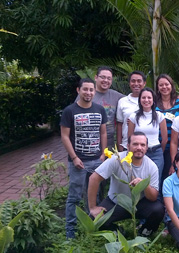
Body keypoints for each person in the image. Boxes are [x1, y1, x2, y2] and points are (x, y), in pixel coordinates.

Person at [87, 132, 164, 235]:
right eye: (135, 144)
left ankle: (145, 232)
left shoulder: (151, 166)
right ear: (128, 146)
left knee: (158, 209)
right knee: (93, 218)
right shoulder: (117, 159)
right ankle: (117, 232)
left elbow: (153, 197)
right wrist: (92, 207)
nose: (139, 148)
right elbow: (93, 178)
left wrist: (143, 185)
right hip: (116, 202)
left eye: (142, 145)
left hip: (138, 204)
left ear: (146, 148)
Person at [60, 78, 107, 239]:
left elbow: (103, 133)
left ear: (95, 91)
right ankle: (70, 231)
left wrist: (103, 153)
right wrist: (74, 158)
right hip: (78, 161)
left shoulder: (100, 109)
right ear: (78, 90)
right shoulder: (69, 111)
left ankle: (94, 226)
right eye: (85, 89)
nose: (88, 93)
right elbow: (65, 136)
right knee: (74, 196)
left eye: (91, 90)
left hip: (96, 160)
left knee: (95, 195)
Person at [75, 66, 125, 148]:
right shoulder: (87, 94)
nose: (106, 80)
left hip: (110, 142)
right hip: (90, 141)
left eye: (109, 78)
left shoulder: (116, 96)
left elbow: (133, 102)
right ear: (96, 77)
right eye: (103, 77)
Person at [128, 88, 168, 177]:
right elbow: (130, 138)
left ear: (153, 100)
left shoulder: (159, 116)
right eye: (143, 98)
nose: (146, 100)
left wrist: (159, 150)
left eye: (149, 98)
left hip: (156, 153)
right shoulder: (133, 116)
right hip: (138, 152)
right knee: (138, 179)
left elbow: (165, 139)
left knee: (155, 179)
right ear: (140, 100)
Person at [155, 74, 179, 183]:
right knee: (156, 174)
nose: (164, 87)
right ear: (157, 87)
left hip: (173, 146)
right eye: (161, 85)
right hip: (157, 146)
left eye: (166, 84)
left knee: (169, 174)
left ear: (171, 85)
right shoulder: (153, 102)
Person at [116, 71, 147, 152]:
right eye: (133, 81)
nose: (136, 84)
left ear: (144, 83)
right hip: (127, 145)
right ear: (129, 83)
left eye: (139, 81)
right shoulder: (122, 101)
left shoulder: (150, 100)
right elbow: (119, 124)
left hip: (146, 146)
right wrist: (119, 145)